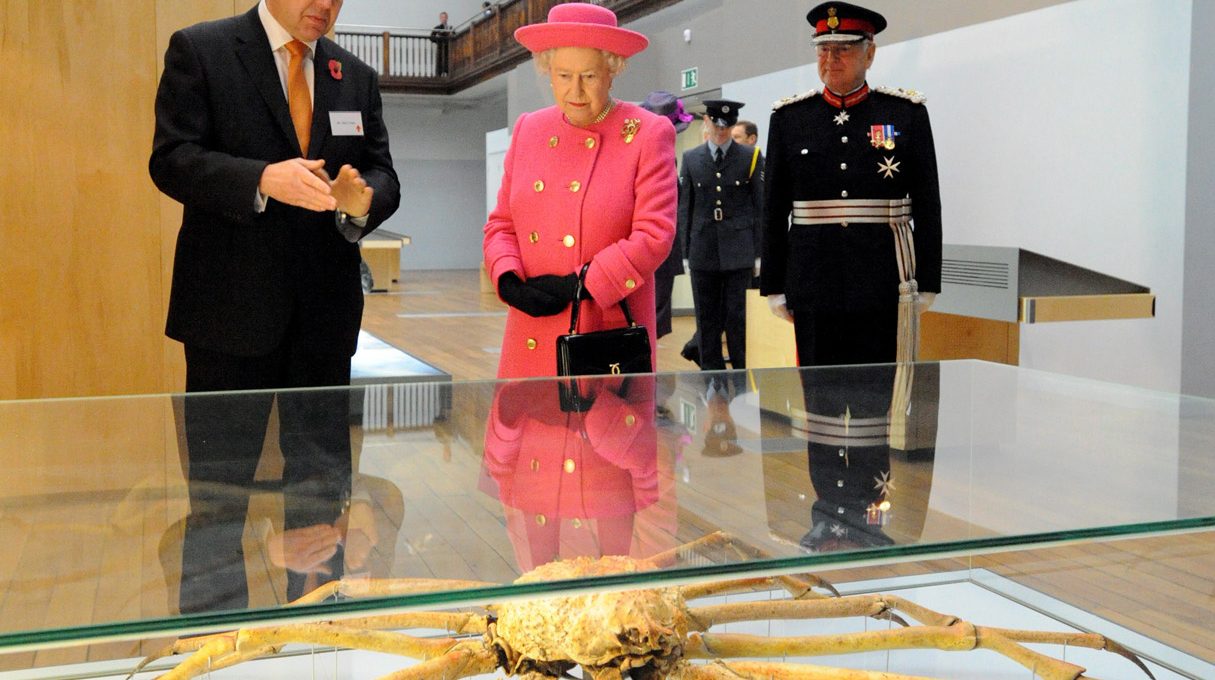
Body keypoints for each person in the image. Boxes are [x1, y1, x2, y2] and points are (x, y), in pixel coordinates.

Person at [149, 0, 400, 612]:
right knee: (217, 497)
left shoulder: (354, 76)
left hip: (324, 319)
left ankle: (316, 631)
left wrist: (363, 199)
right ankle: (212, 643)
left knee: (320, 494)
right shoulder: (201, 50)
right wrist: (262, 179)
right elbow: (172, 160)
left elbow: (382, 172)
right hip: (226, 319)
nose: (326, 7)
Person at [483, 4, 677, 379]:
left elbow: (654, 235)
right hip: (531, 328)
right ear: (549, 73)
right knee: (533, 432)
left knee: (600, 435)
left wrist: (581, 285)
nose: (575, 90)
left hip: (604, 326)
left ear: (612, 71)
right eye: (563, 75)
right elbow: (501, 225)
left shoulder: (647, 133)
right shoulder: (529, 129)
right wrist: (507, 279)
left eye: (589, 75)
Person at [760, 1, 941, 367]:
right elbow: (774, 207)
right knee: (818, 393)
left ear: (869, 54)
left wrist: (929, 279)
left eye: (843, 49)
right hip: (812, 278)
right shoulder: (789, 118)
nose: (831, 59)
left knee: (879, 391)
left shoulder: (905, 113)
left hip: (883, 278)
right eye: (823, 49)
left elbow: (927, 202)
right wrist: (774, 283)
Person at [678, 99, 764, 371]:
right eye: (715, 124)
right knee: (706, 317)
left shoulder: (750, 157)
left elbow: (761, 207)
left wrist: (760, 253)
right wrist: (685, 252)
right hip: (703, 247)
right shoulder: (692, 158)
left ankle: (741, 374)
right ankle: (711, 375)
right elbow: (685, 208)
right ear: (707, 122)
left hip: (739, 249)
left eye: (726, 126)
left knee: (737, 316)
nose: (720, 131)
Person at [638, 90, 693, 339]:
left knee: (655, 311)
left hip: (657, 243)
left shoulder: (662, 154)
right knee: (651, 312)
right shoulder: (654, 156)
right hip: (650, 243)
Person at [430, 11, 451, 76]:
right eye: (442, 17)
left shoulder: (450, 28)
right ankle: (438, 76)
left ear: (447, 18)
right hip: (441, 48)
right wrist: (438, 40)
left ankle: (448, 74)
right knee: (440, 64)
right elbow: (431, 37)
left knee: (448, 64)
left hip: (448, 49)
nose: (443, 19)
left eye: (445, 17)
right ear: (440, 18)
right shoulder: (437, 28)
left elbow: (454, 35)